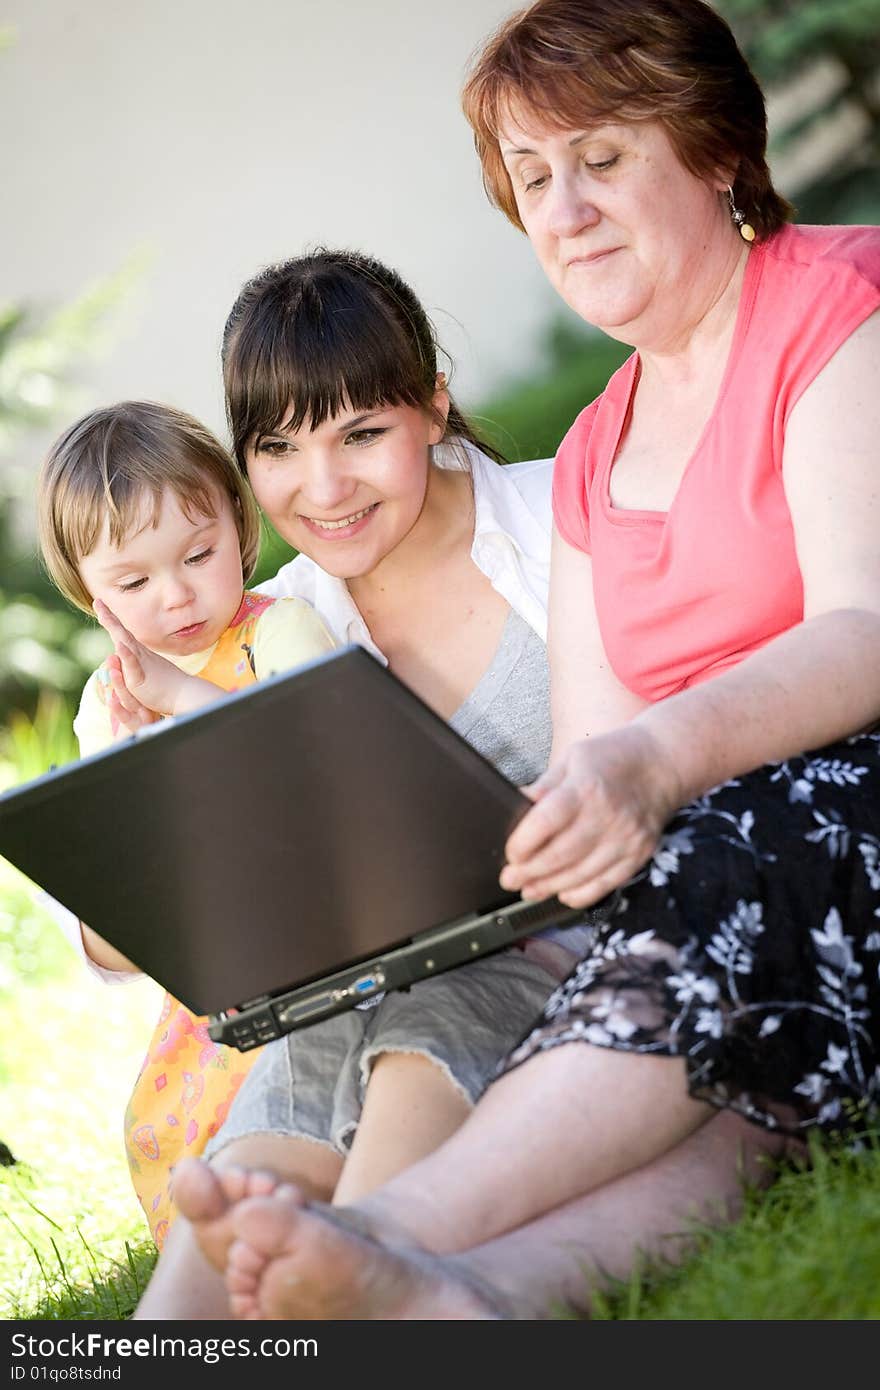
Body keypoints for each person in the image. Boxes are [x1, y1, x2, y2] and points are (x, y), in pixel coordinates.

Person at [169, 0, 880, 1320]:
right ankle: (468, 1297)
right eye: (531, 179)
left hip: (831, 804)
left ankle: (390, 1231)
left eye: (601, 160)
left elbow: (861, 631)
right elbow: (587, 765)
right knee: (721, 1082)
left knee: (731, 860)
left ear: (718, 148)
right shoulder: (599, 452)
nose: (563, 210)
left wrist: (657, 761)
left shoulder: (833, 303)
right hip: (769, 880)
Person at [125, 248, 597, 1319]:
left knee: (379, 1124)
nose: (322, 489)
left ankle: (356, 1273)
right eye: (279, 448)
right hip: (364, 984)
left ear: (433, 404)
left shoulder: (563, 521)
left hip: (555, 947)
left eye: (361, 434)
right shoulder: (276, 623)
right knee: (234, 1201)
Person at [37, 400, 338, 1246]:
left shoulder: (279, 632)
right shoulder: (108, 699)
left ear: (240, 529)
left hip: (327, 932)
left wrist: (184, 702)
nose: (175, 598)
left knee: (288, 1096)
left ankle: (307, 1221)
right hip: (223, 960)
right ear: (89, 596)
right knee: (167, 1124)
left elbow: (326, 766)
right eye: (132, 583)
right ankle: (232, 1256)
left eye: (199, 556)